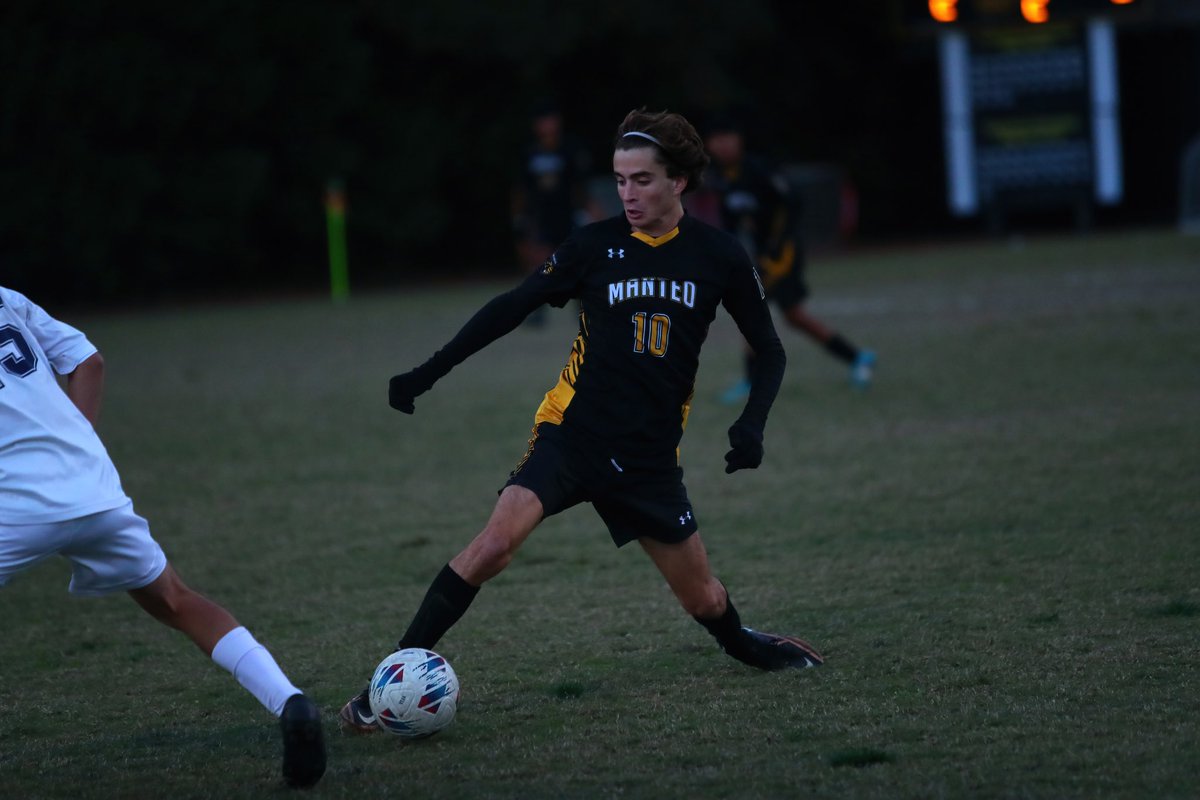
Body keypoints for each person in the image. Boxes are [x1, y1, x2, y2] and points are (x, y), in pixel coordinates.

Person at [340, 108, 823, 733]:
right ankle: (382, 689)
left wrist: (752, 424)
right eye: (620, 180)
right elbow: (512, 307)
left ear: (679, 182)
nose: (628, 193)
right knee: (492, 546)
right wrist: (427, 372)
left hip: (648, 460)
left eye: (643, 180)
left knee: (703, 599)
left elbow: (773, 348)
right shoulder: (593, 247)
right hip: (571, 435)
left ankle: (746, 645)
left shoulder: (720, 256)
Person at [0, 287, 325, 789]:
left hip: (15, 502)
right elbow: (88, 360)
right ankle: (291, 701)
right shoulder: (5, 298)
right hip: (92, 483)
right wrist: (78, 448)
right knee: (175, 599)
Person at [697, 117, 875, 400]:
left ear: (739, 140)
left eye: (729, 137)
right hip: (762, 253)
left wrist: (778, 243)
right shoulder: (722, 178)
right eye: (717, 140)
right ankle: (856, 357)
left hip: (783, 253)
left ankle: (754, 380)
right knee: (784, 315)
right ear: (709, 145)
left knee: (760, 309)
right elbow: (731, 222)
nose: (724, 145)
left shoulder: (758, 169)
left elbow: (792, 201)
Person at [511, 104, 593, 325]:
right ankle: (535, 310)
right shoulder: (530, 153)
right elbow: (521, 189)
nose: (547, 125)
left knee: (575, 263)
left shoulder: (570, 149)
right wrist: (519, 217)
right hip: (541, 218)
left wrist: (587, 212)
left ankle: (583, 308)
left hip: (567, 217)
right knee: (542, 265)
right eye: (542, 121)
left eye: (550, 120)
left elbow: (580, 187)